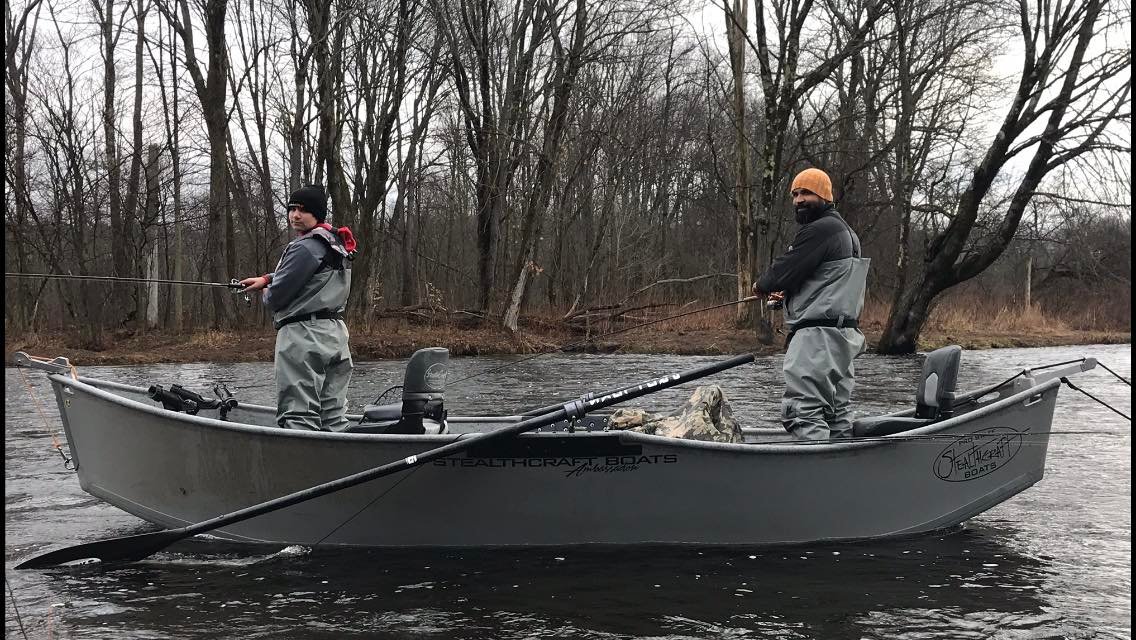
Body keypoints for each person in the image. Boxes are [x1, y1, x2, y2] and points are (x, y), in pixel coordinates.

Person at [752, 168, 870, 440]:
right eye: (794, 194)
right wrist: (789, 293)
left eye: (806, 193)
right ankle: (844, 469)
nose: (798, 200)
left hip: (817, 339)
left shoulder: (821, 229)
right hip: (844, 338)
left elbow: (785, 269)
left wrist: (761, 286)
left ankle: (816, 474)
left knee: (802, 411)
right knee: (836, 412)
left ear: (825, 196)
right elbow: (824, 280)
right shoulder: (847, 233)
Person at [240, 185, 358, 431]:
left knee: (298, 414)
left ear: (317, 214)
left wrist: (266, 290)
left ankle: (301, 466)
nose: (294, 215)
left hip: (303, 337)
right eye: (291, 209)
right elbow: (311, 273)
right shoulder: (334, 242)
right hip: (335, 334)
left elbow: (276, 299)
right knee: (333, 415)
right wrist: (267, 278)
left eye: (302, 211)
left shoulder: (303, 246)